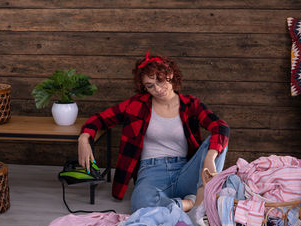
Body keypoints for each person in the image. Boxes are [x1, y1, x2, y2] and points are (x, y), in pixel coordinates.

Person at [78, 51, 230, 213]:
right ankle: (192, 204)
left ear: (170, 74)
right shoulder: (135, 106)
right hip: (151, 173)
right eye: (150, 85)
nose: (157, 88)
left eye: (160, 80)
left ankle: (203, 191)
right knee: (141, 204)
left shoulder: (190, 104)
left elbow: (220, 126)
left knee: (219, 140)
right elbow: (100, 119)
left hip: (185, 171)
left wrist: (210, 157)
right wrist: (84, 138)